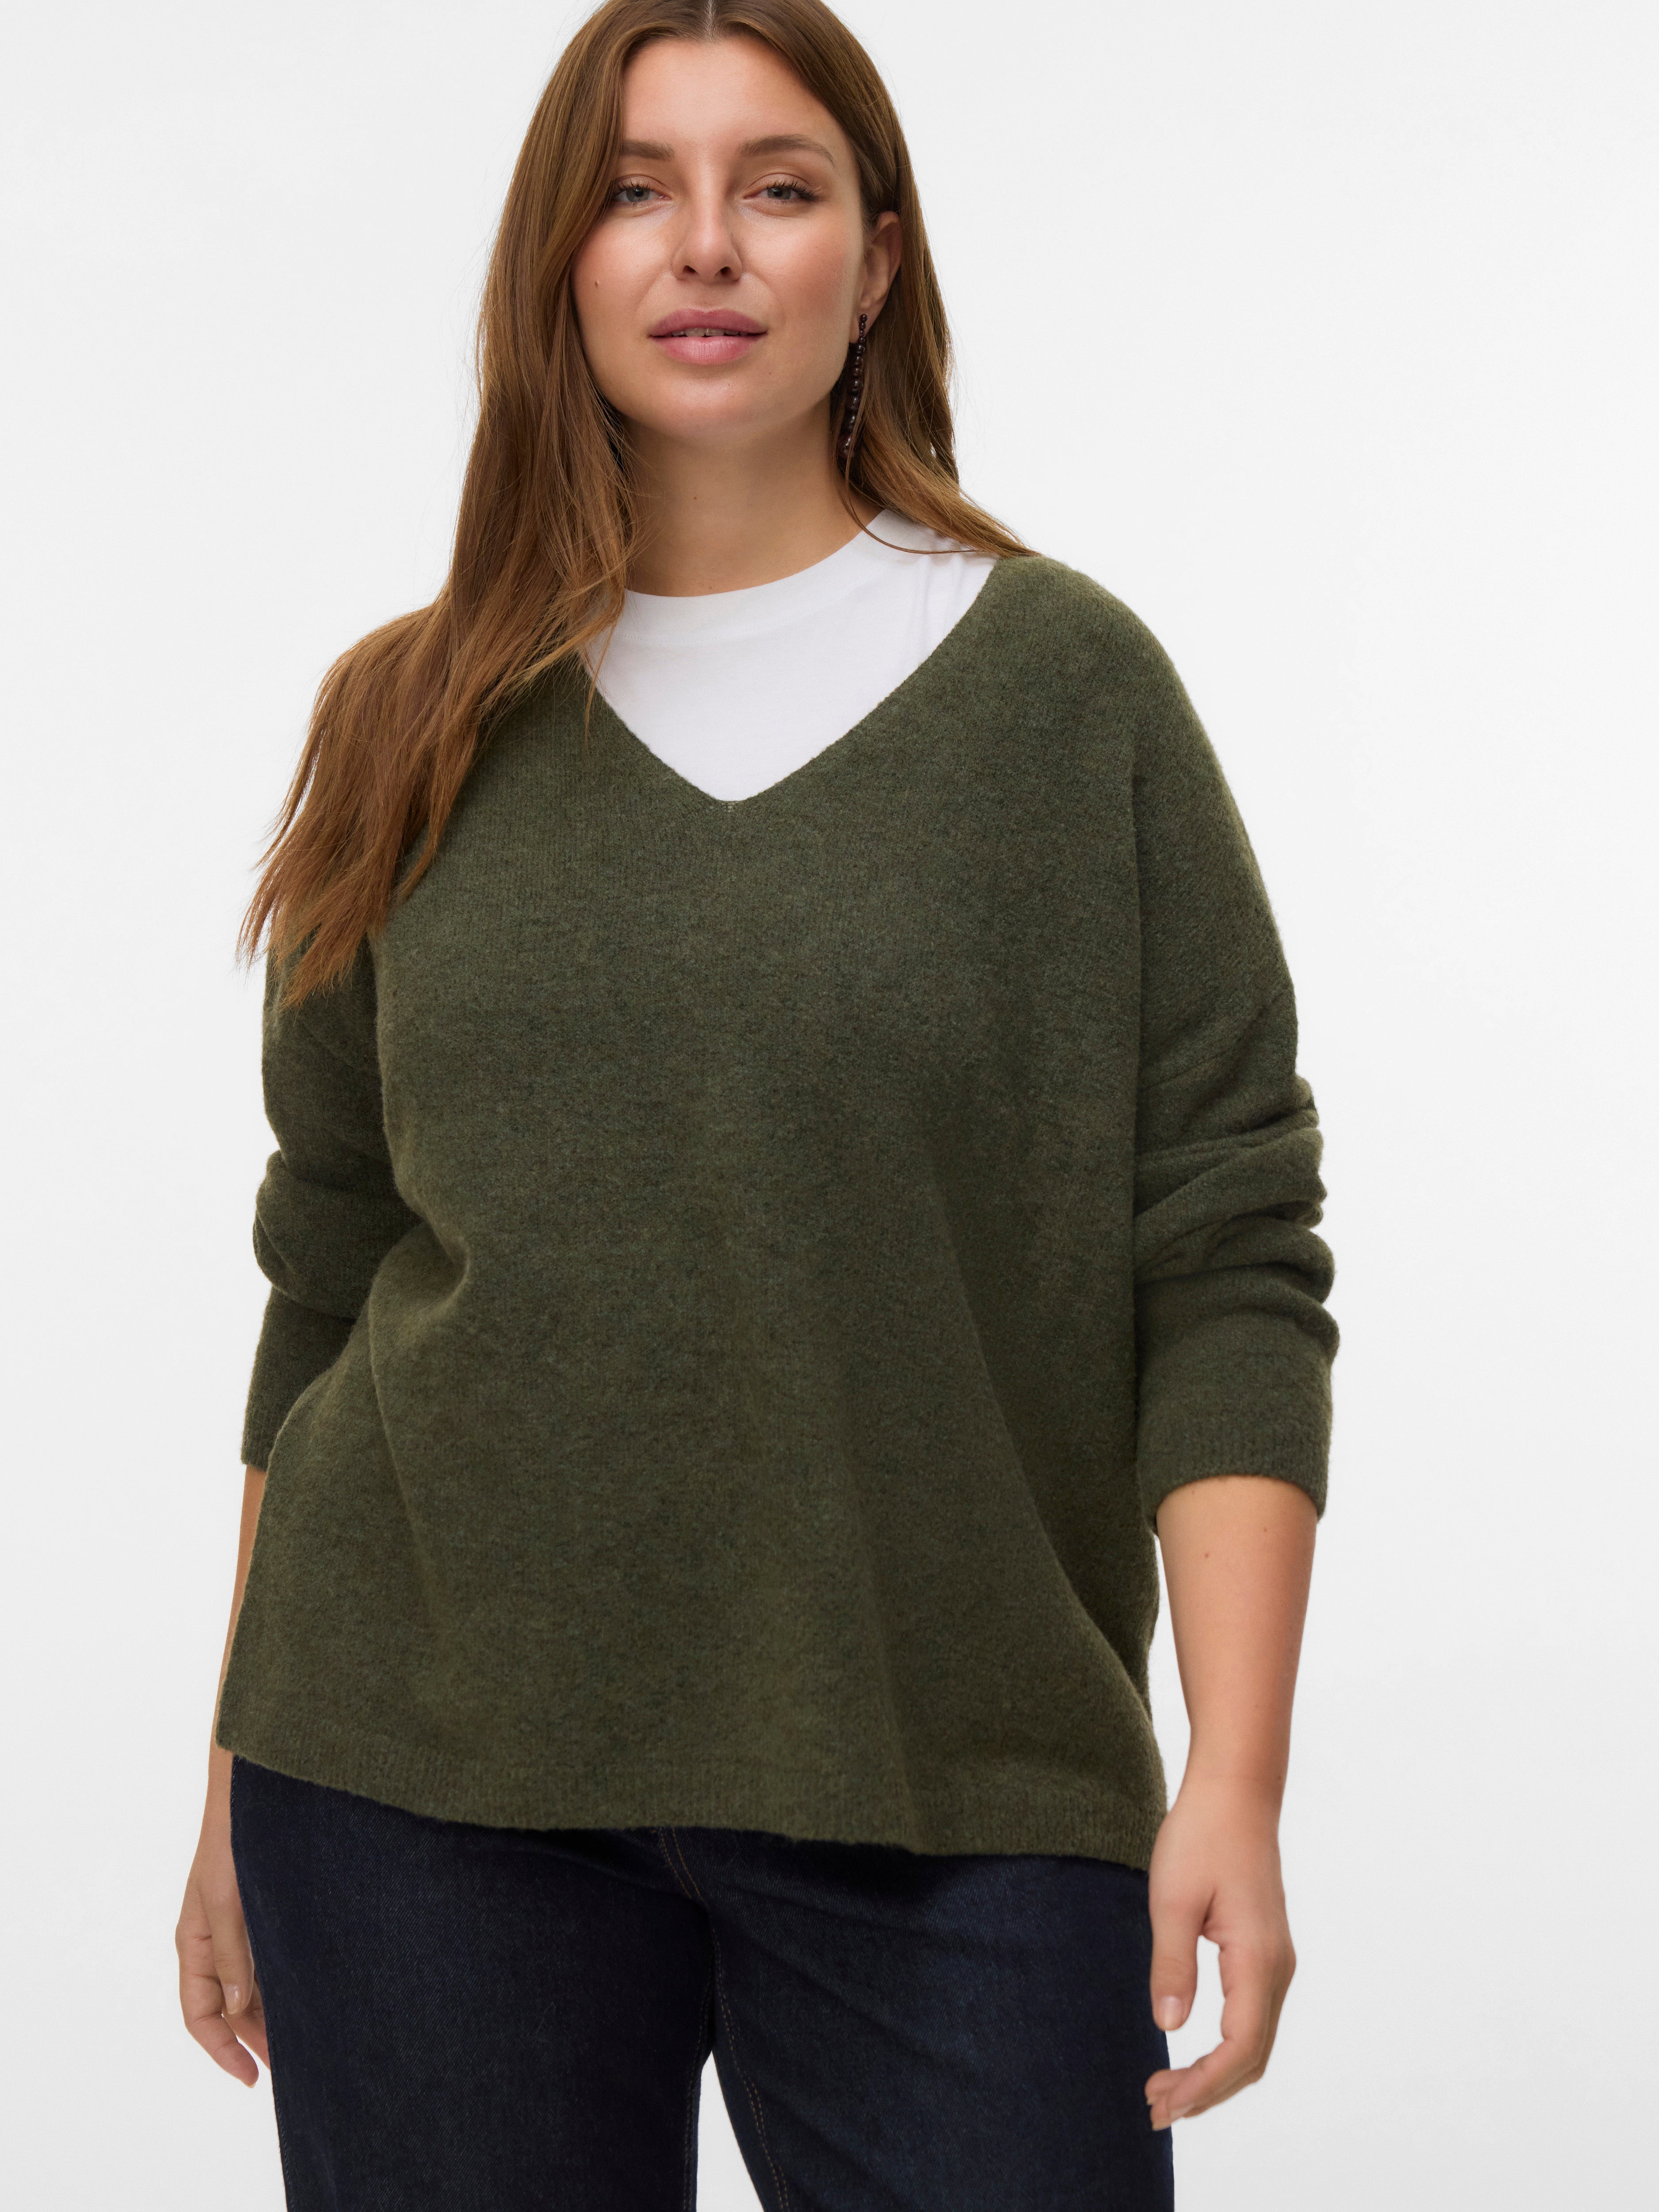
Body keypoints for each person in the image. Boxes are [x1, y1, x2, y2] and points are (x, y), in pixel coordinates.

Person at [175, 3, 1338, 2205]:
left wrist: (1234, 1779)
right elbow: (326, 1265)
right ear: (559, 258)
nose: (702, 244)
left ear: (873, 262)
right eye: (634, 190)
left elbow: (1223, 1253)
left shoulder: (1063, 694)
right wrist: (237, 1770)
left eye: (776, 187)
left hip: (956, 1772)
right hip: (412, 1779)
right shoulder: (407, 716)